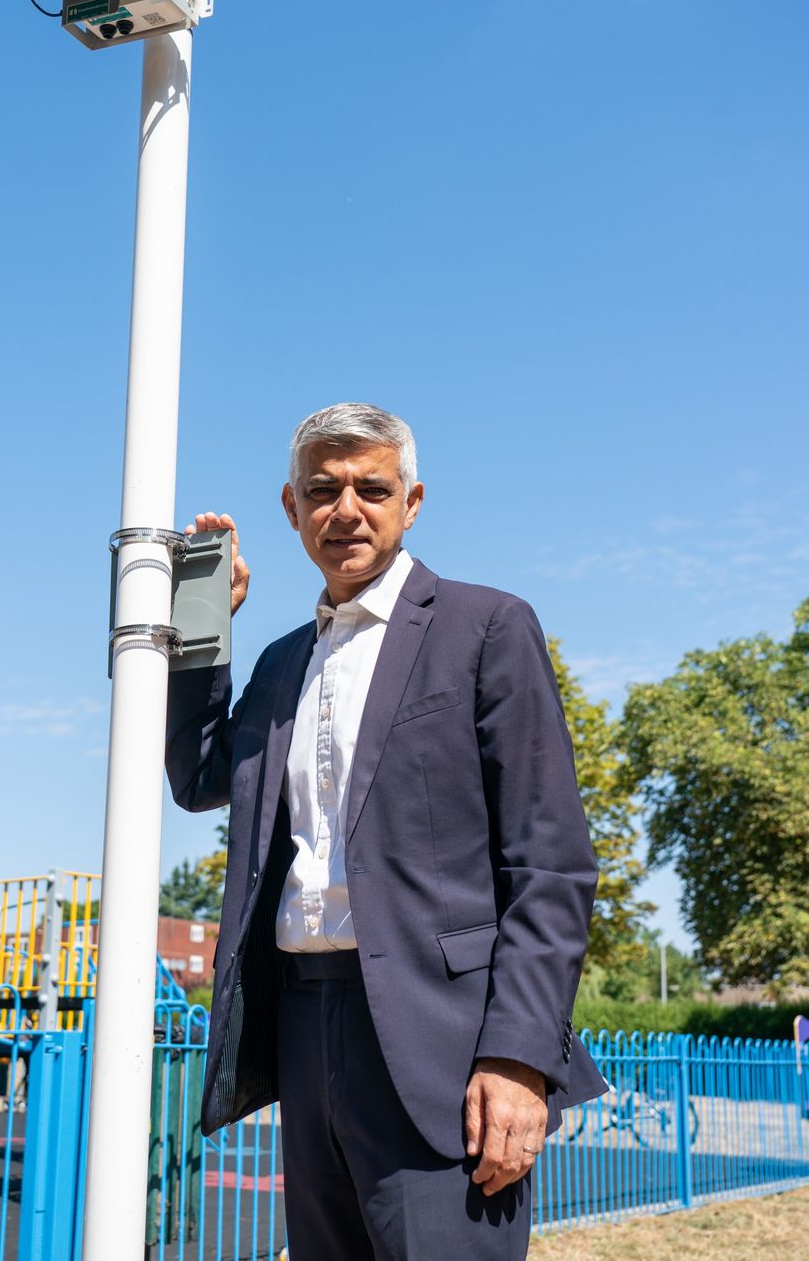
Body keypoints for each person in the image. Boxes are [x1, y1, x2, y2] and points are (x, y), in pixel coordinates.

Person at [165, 402, 606, 1260]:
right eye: (321, 490)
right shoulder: (280, 661)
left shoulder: (486, 627)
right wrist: (201, 629)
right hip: (301, 1019)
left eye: (373, 488)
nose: (347, 509)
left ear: (412, 502)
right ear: (291, 508)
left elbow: (550, 863)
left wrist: (518, 1059)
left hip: (446, 1044)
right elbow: (198, 777)